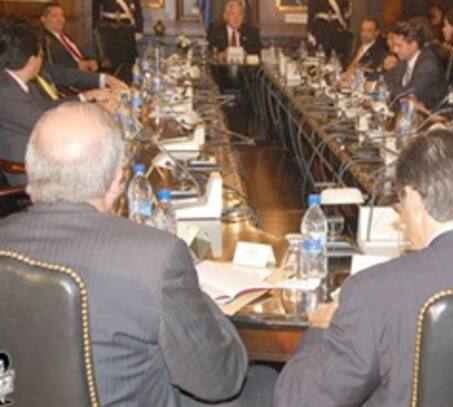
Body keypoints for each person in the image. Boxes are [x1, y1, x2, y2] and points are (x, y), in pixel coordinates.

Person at [0, 102, 275, 405]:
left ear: (31, 175)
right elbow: (219, 380)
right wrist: (193, 294)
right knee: (268, 383)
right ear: (117, 182)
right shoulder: (156, 258)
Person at [273, 128, 453, 407]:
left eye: (400, 206)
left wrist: (319, 330)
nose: (402, 218)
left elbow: (298, 402)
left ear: (415, 200)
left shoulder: (372, 291)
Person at [0, 15, 116, 184]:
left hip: (46, 154)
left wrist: (87, 97)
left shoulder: (17, 82)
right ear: (32, 62)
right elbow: (48, 125)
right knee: (105, 166)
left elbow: (50, 107)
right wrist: (96, 112)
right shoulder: (7, 93)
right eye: (41, 55)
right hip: (30, 171)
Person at [92, 0, 143, 81]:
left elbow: (137, 10)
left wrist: (139, 30)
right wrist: (95, 28)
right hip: (107, 28)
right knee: (108, 62)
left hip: (125, 28)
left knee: (127, 60)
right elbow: (96, 8)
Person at [384, 20, 445, 109]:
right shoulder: (404, 58)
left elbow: (408, 93)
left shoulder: (428, 65)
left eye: (399, 46)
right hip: (403, 110)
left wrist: (380, 87)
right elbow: (389, 80)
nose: (395, 50)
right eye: (394, 45)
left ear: (413, 45)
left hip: (425, 114)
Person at [41, 3, 98, 72]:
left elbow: (79, 54)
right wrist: (77, 65)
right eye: (54, 16)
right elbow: (55, 63)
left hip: (86, 72)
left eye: (62, 16)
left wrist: (90, 61)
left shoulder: (65, 36)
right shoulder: (44, 39)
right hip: (71, 74)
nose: (60, 19)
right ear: (43, 19)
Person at [341, 17, 388, 82]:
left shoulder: (380, 52)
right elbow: (346, 66)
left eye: (369, 31)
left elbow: (373, 73)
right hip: (342, 79)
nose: (365, 34)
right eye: (363, 30)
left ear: (376, 33)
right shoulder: (356, 46)